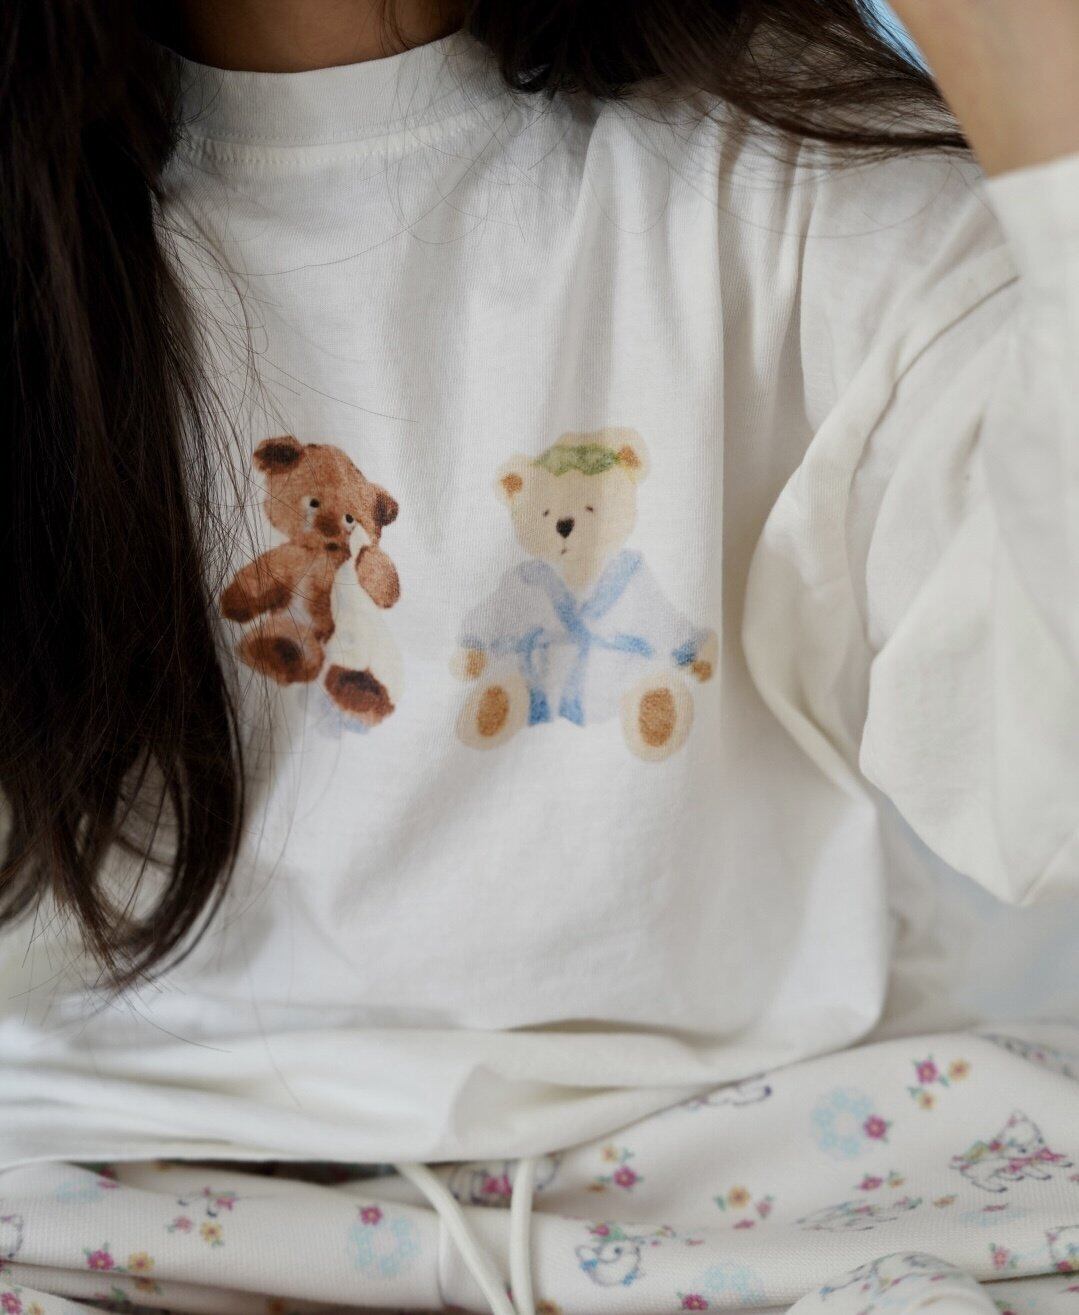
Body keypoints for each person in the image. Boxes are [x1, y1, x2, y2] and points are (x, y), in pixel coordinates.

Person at [1, 1, 1077, 1311]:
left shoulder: (792, 163)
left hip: (742, 1170)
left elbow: (1048, 786)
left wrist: (1042, 110)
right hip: (90, 1192)